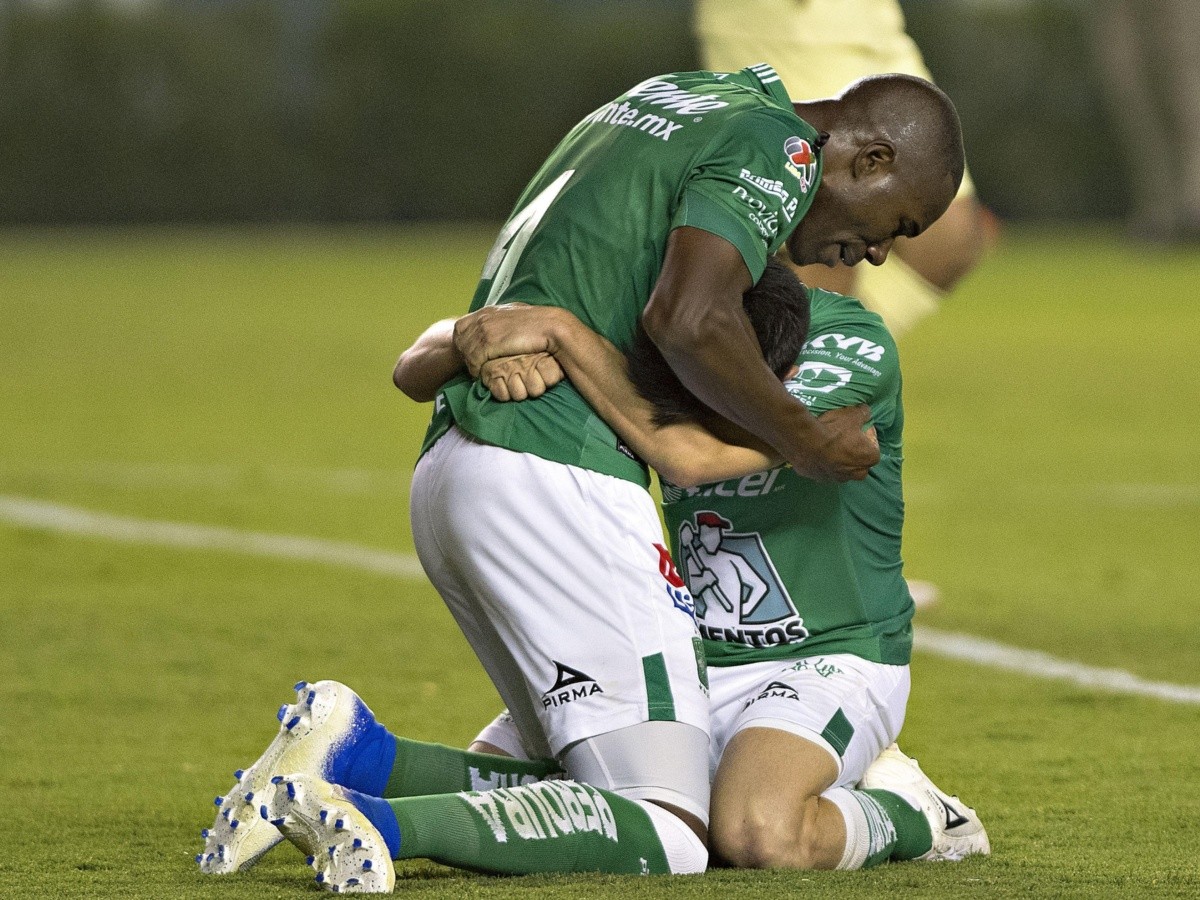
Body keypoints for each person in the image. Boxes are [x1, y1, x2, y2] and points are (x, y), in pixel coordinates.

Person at [203, 63, 965, 888]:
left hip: (456, 468)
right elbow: (689, 351)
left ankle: (354, 752)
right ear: (871, 160)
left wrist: (536, 336)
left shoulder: (674, 104)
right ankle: (377, 823)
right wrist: (805, 442)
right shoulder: (766, 163)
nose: (883, 254)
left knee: (640, 797)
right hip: (559, 479)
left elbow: (424, 361)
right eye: (901, 224)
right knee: (673, 829)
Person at [694, 0, 998, 336]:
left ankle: (827, 361)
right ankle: (796, 374)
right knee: (828, 243)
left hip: (874, 21)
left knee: (947, 239)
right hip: (791, 22)